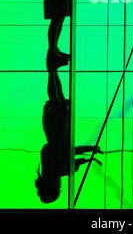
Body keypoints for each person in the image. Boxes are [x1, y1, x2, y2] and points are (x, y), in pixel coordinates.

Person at [35, 70, 103, 203]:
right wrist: (90, 150)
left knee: (57, 98)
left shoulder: (56, 170)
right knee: (57, 98)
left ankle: (52, 67)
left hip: (57, 128)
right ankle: (52, 69)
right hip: (52, 127)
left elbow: (72, 155)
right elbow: (71, 153)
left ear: (54, 187)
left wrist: (91, 153)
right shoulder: (48, 168)